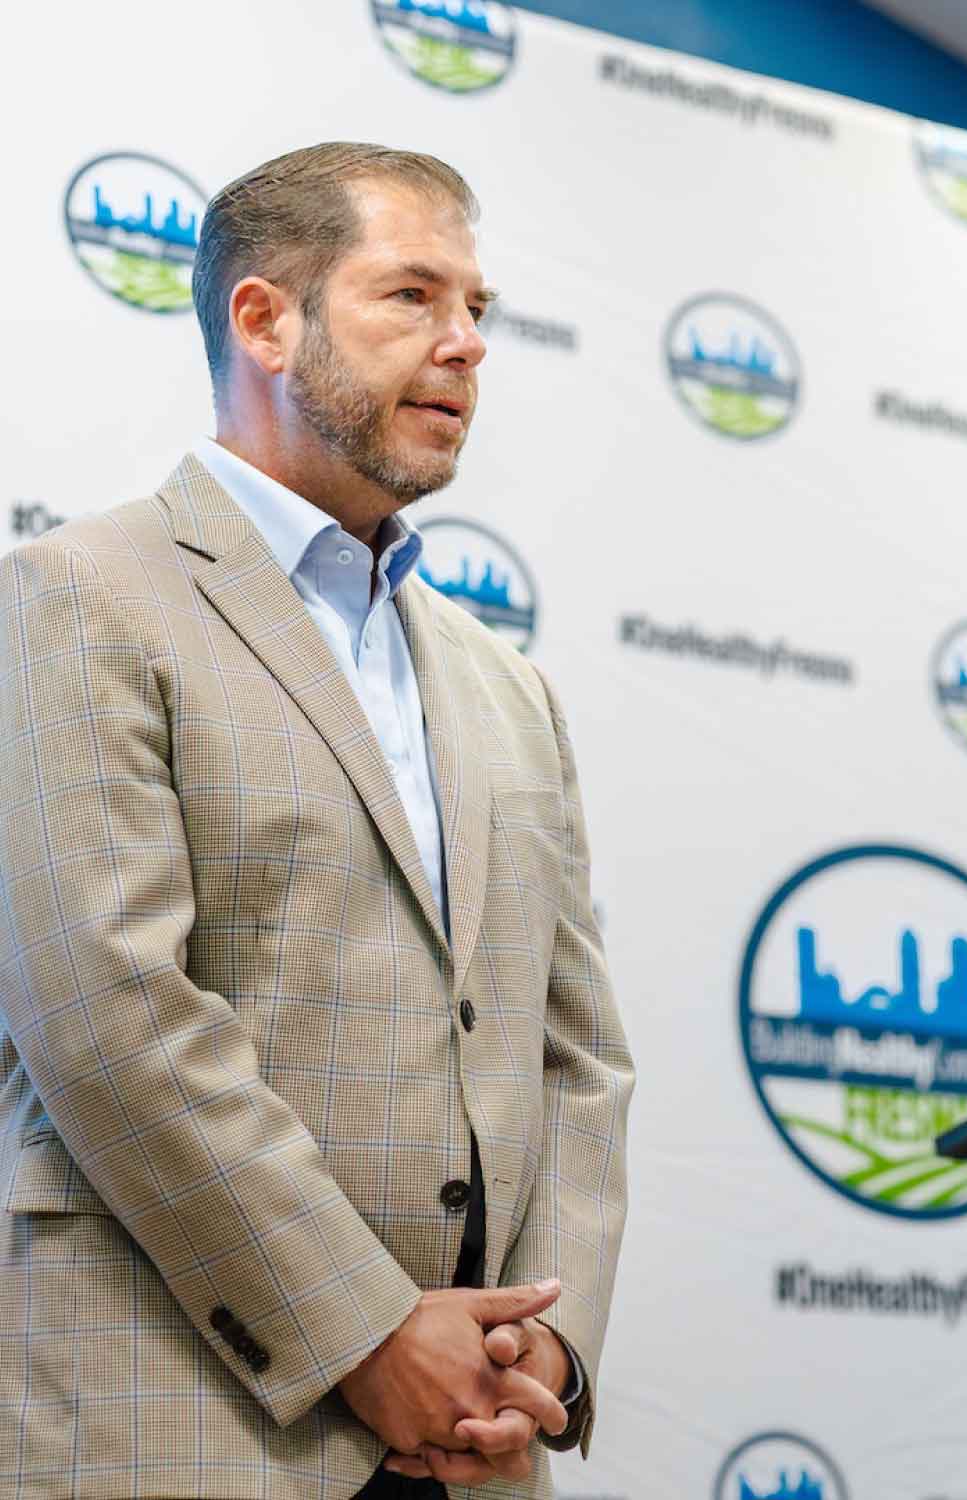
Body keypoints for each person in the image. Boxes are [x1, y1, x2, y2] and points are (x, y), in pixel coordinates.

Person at [0, 142, 634, 1500]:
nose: (465, 346)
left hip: (477, 1449)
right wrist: (365, 1331)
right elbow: (110, 1017)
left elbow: (577, 1059)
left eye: (481, 312)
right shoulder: (76, 595)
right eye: (412, 297)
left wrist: (554, 1354)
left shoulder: (508, 687)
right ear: (264, 320)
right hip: (175, 1427)